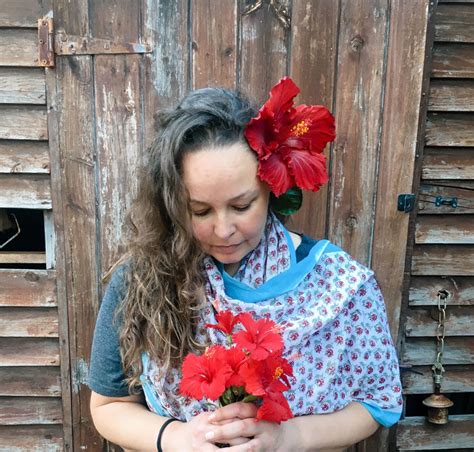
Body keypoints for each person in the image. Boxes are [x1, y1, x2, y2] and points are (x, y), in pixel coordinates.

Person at [88, 77, 403, 452]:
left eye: (241, 206)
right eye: (199, 210)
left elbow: (376, 404)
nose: (223, 230)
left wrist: (288, 437)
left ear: (272, 187)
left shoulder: (341, 286)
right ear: (172, 205)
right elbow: (108, 405)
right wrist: (179, 438)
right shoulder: (142, 279)